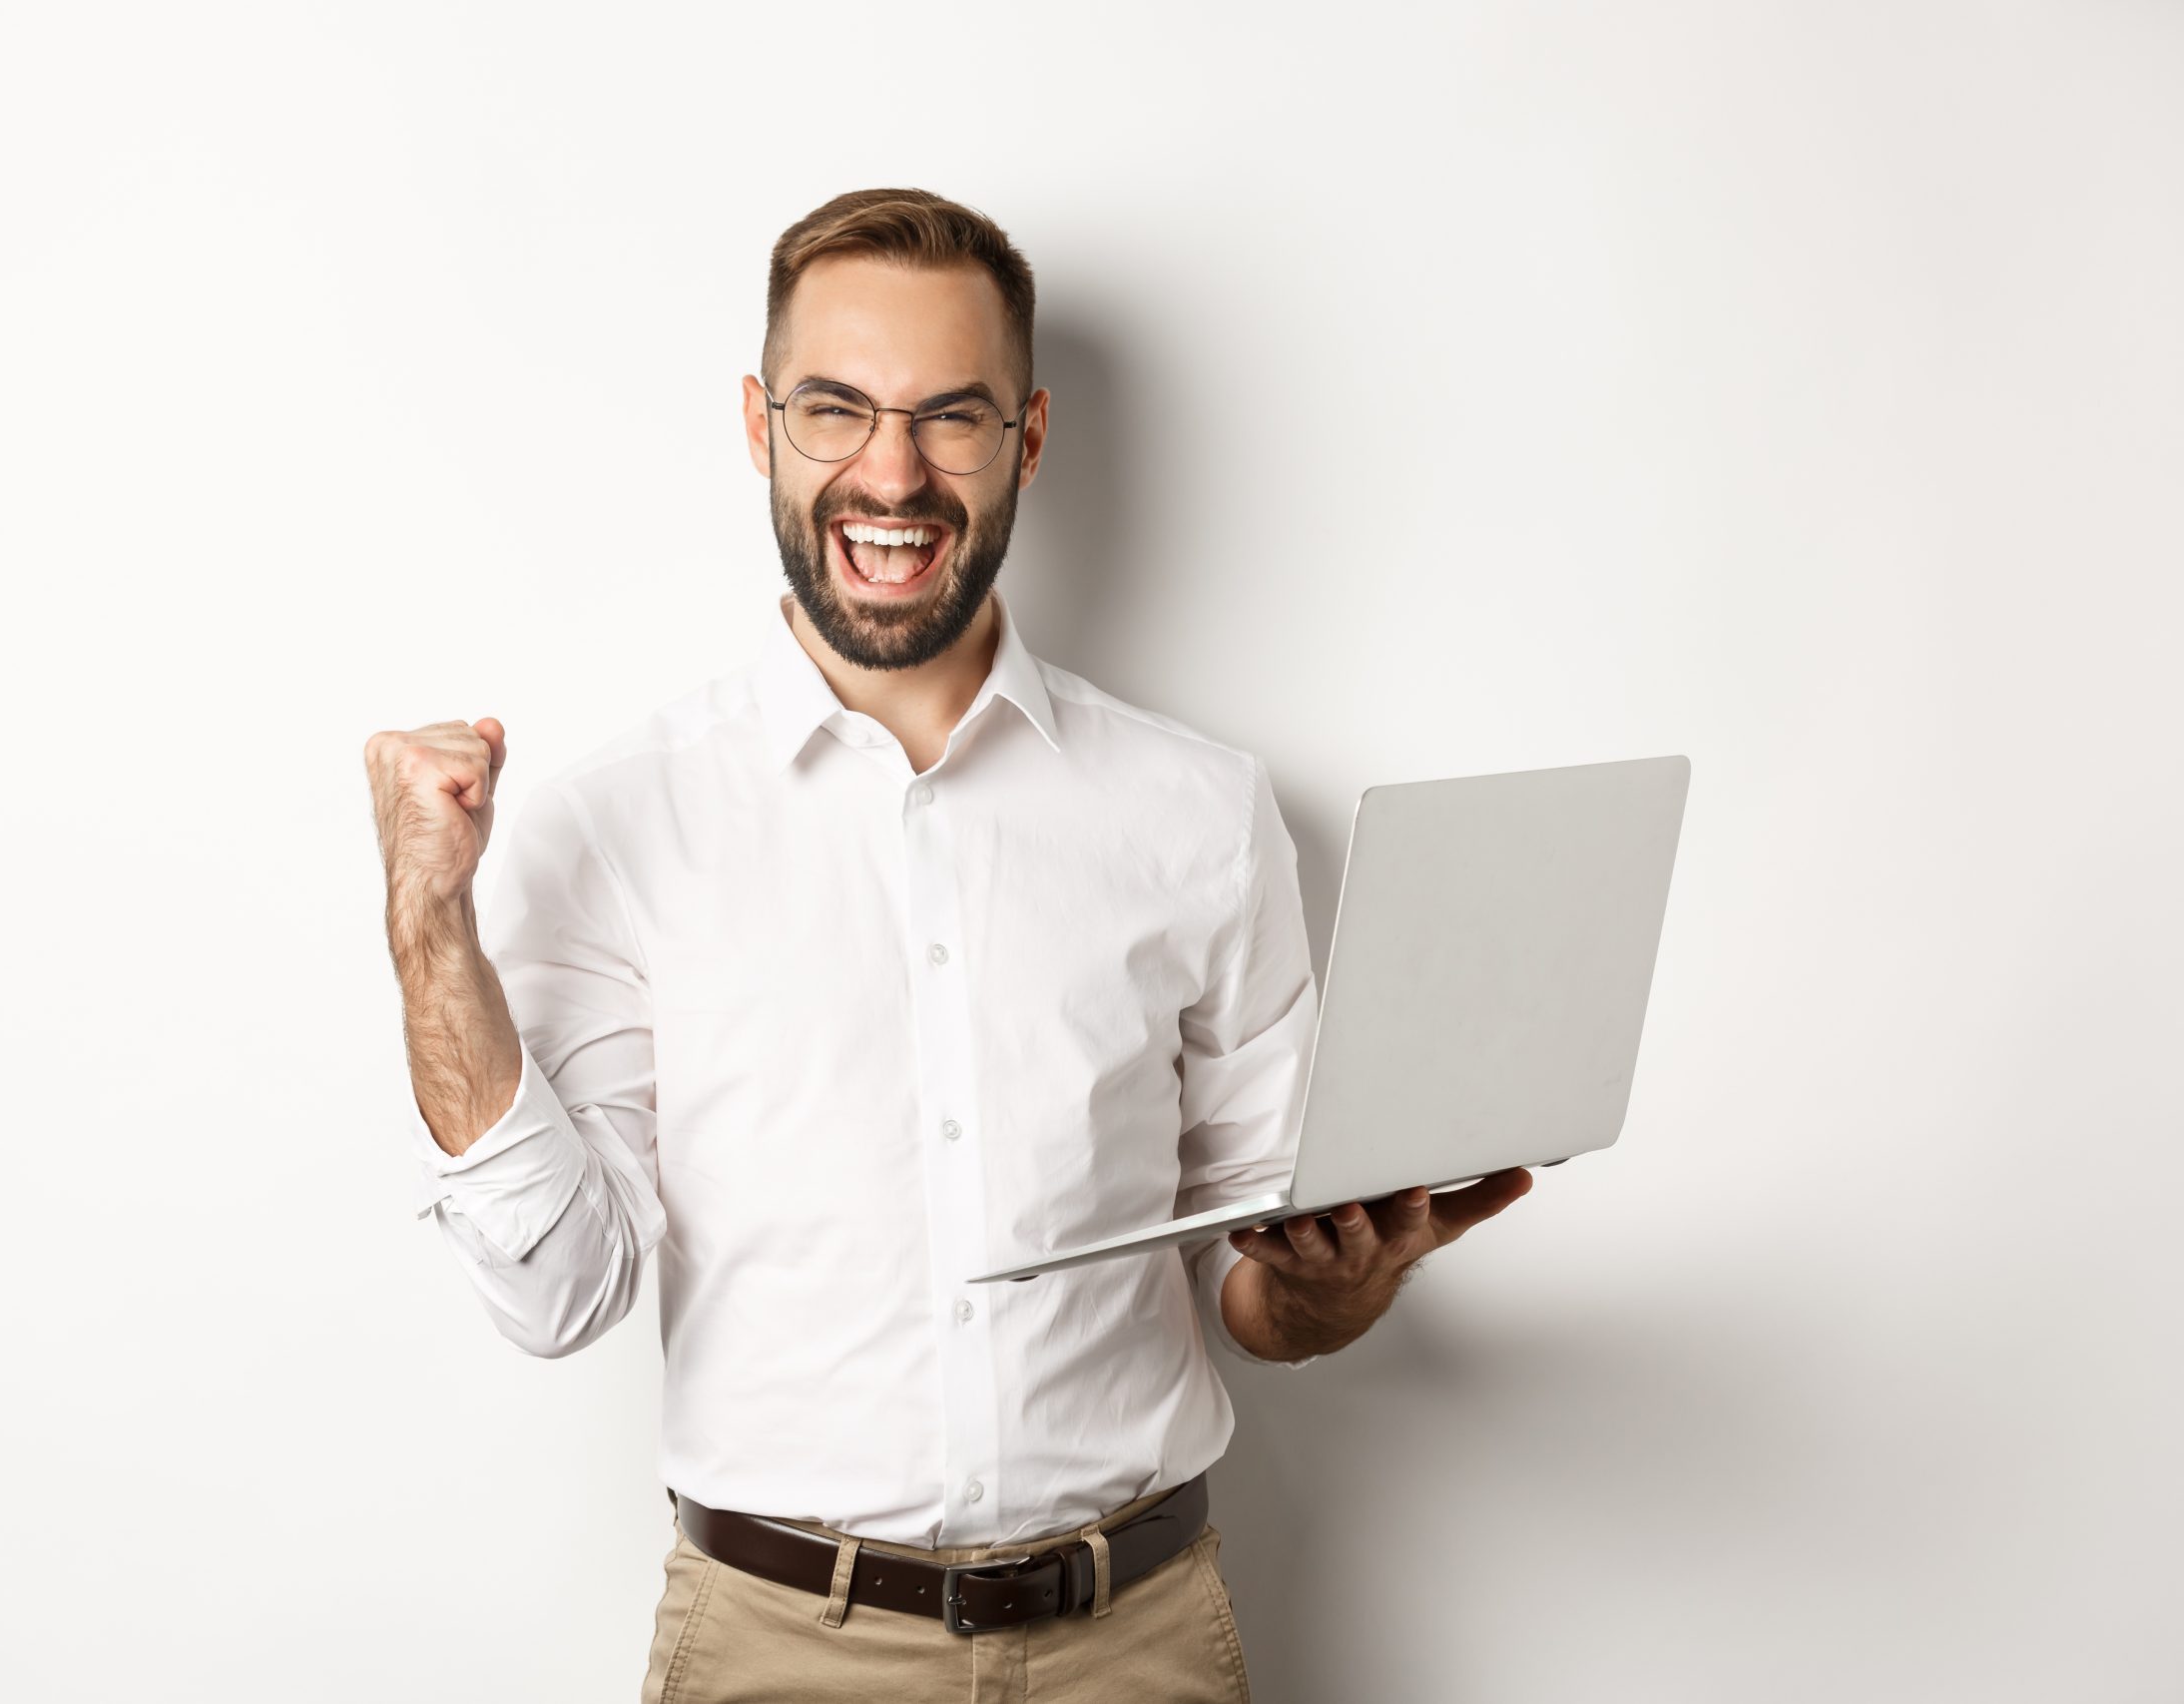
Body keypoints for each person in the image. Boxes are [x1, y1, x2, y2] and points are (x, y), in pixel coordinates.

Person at [362, 188, 1533, 1704]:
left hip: (1142, 1643)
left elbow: (1260, 1295)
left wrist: (1338, 1281)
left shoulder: (1201, 813)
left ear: (1029, 439)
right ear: (758, 423)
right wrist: (427, 926)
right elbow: (558, 1292)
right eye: (835, 408)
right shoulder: (617, 823)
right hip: (780, 1653)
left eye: (952, 419)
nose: (891, 473)